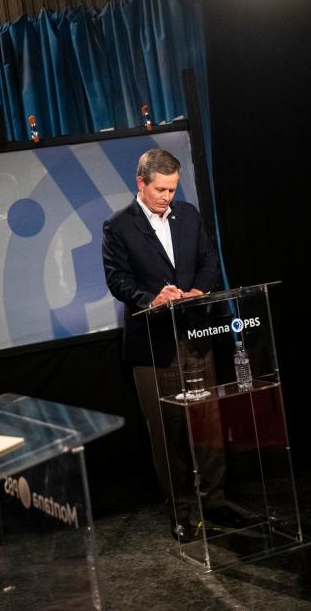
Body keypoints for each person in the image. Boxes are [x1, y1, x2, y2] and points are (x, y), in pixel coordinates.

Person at [102, 148, 229, 540]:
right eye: (161, 190)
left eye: (172, 189)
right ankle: (183, 510)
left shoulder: (189, 215)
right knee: (166, 433)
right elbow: (117, 279)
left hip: (195, 336)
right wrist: (152, 298)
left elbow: (209, 260)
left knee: (206, 423)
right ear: (141, 184)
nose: (167, 197)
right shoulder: (119, 226)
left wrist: (198, 290)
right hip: (153, 347)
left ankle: (216, 500)